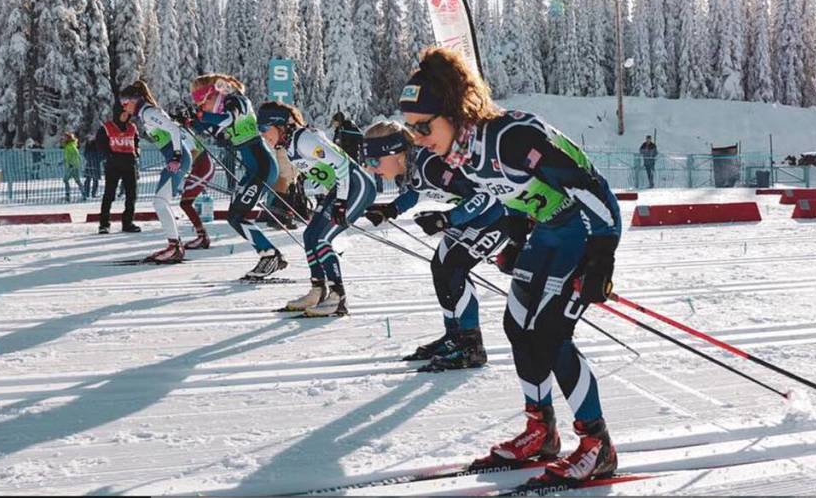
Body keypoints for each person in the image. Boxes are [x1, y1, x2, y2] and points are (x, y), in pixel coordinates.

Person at [399, 47, 622, 483]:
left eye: (423, 126)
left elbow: (593, 189)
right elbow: (513, 195)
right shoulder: (461, 152)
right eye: (411, 131)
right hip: (547, 234)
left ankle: (599, 445)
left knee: (551, 335)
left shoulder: (509, 137)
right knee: (518, 325)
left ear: (452, 112)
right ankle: (541, 431)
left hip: (583, 232)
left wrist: (600, 258)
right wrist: (517, 238)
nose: (419, 138)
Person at [361, 121, 530, 371]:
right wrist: (391, 209)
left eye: (374, 161)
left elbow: (484, 196)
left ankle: (472, 346)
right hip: (474, 216)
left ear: (395, 154)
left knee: (454, 266)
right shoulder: (413, 166)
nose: (370, 168)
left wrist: (446, 219)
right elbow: (416, 191)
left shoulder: (431, 164)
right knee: (440, 266)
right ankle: (454, 337)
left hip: (499, 214)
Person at [258, 101, 377, 313]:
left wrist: (340, 201)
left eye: (265, 129)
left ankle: (338, 296)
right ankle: (318, 289)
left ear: (279, 125)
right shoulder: (291, 144)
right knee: (310, 236)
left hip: (357, 186)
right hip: (340, 190)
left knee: (322, 239)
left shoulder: (304, 139)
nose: (263, 135)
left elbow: (340, 165)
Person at [189, 74, 282, 278]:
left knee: (237, 216)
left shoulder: (237, 100)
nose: (201, 107)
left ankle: (270, 254)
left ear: (213, 94)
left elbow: (227, 120)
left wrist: (201, 118)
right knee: (234, 217)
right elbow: (215, 129)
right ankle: (268, 254)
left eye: (202, 102)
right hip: (253, 170)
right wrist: (189, 120)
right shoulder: (223, 106)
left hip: (263, 167)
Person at [127, 81, 194, 263]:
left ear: (135, 99)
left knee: (160, 202)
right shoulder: (145, 113)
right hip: (174, 157)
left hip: (177, 158)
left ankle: (175, 247)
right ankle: (174, 245)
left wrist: (177, 157)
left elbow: (173, 129)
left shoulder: (148, 112)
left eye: (126, 102)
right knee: (160, 202)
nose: (125, 107)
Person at [96, 87, 142, 234]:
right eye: (122, 114)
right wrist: (109, 156)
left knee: (131, 195)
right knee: (109, 194)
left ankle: (128, 223)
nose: (125, 116)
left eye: (127, 114)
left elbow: (136, 143)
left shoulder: (132, 128)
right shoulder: (107, 127)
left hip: (130, 164)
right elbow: (100, 144)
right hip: (113, 165)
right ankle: (104, 224)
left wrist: (137, 153)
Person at [171, 105, 216, 250]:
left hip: (204, 167)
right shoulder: (183, 129)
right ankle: (202, 235)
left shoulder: (182, 131)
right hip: (199, 167)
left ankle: (203, 237)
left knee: (185, 203)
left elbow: (193, 152)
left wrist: (182, 169)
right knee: (185, 203)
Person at [62, 132, 83, 202]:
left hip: (72, 166)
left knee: (65, 179)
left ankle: (67, 196)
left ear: (68, 138)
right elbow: (68, 156)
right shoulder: (68, 146)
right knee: (77, 180)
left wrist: (72, 163)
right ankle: (84, 194)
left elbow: (76, 155)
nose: (63, 139)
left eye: (65, 137)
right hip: (72, 166)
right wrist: (63, 161)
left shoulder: (71, 146)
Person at [82, 135, 102, 199]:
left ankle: (87, 193)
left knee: (89, 179)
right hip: (95, 164)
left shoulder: (89, 146)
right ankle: (92, 193)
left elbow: (85, 154)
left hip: (89, 163)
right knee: (94, 179)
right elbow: (101, 155)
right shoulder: (98, 145)